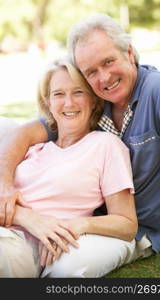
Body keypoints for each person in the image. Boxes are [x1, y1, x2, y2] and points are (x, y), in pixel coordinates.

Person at [0, 12, 160, 266]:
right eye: (91, 72)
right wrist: (5, 186)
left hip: (133, 229)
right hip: (86, 217)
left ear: (129, 53)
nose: (104, 78)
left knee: (66, 267)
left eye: (108, 62)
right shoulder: (97, 102)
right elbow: (25, 132)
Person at [0, 57, 137, 278]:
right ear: (48, 103)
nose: (69, 103)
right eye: (58, 94)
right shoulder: (35, 148)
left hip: (23, 246)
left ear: (93, 100)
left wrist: (78, 224)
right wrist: (27, 218)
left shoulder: (105, 146)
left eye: (78, 92)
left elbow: (127, 224)